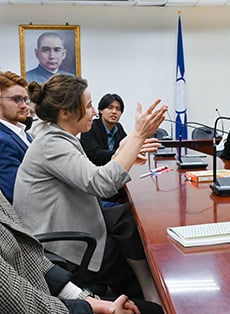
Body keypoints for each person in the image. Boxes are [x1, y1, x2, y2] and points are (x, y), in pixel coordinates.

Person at [13, 74, 167, 308]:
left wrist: (125, 152)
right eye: (88, 106)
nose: (94, 112)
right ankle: (153, 296)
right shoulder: (51, 143)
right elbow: (102, 184)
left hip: (73, 225)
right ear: (65, 113)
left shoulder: (59, 137)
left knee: (126, 219)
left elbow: (90, 175)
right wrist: (137, 135)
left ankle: (150, 289)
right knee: (128, 240)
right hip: (62, 246)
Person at [0, 189, 150, 314]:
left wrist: (87, 299)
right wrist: (93, 308)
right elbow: (21, 306)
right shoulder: (49, 151)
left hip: (50, 295)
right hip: (51, 296)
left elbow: (30, 256)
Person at [80, 93, 128, 206]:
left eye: (118, 109)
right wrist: (121, 154)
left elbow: (127, 147)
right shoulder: (90, 127)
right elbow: (95, 155)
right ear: (101, 110)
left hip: (115, 180)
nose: (114, 112)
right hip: (97, 183)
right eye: (110, 108)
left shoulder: (119, 128)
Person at [0, 71, 32, 204]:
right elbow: (17, 192)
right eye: (16, 99)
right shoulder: (2, 140)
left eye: (25, 99)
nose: (24, 105)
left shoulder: (23, 133)